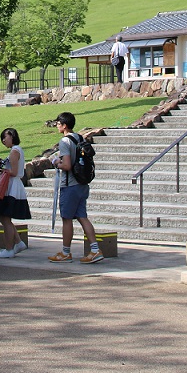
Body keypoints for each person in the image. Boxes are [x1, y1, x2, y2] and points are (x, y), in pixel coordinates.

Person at [48, 111, 103, 264]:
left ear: (64, 125)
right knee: (82, 217)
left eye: (58, 124)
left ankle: (65, 252)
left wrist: (55, 162)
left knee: (67, 219)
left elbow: (66, 165)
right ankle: (95, 249)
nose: (57, 126)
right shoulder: (79, 138)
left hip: (70, 185)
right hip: (82, 184)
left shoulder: (64, 142)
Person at [0, 127, 31, 258]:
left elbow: (13, 172)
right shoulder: (16, 151)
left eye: (5, 137)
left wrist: (3, 169)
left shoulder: (15, 151)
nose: (4, 140)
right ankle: (18, 243)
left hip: (11, 187)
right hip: (13, 185)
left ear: (12, 136)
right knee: (3, 217)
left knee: (5, 217)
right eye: (2, 138)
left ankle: (9, 249)